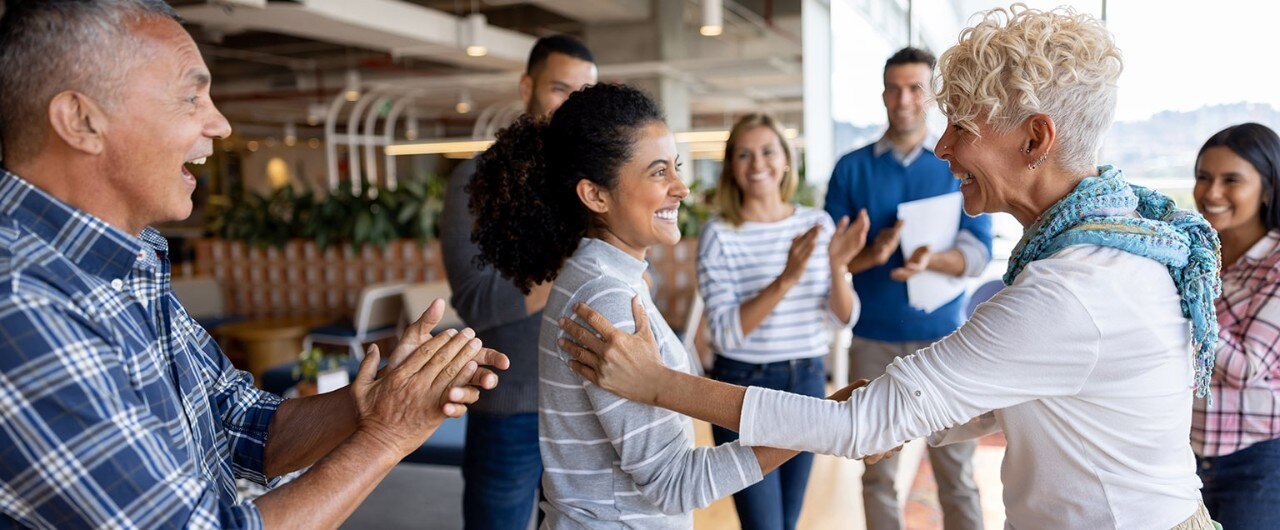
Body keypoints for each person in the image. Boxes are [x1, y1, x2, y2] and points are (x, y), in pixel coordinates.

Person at [557, 5, 1222, 529]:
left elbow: (863, 428)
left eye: (963, 125)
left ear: (1035, 139)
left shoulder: (1074, 287)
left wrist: (655, 383)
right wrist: (874, 411)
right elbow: (1012, 398)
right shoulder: (1099, 254)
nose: (942, 144)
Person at [0, 2, 508, 528]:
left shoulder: (128, 259)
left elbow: (244, 425)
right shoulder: (18, 299)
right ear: (81, 120)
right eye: (191, 97)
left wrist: (376, 400)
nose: (220, 124)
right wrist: (387, 435)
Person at [469, 83, 867, 528]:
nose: (681, 188)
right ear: (596, 196)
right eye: (659, 172)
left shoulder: (609, 278)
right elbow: (675, 483)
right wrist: (823, 424)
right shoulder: (606, 298)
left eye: (675, 167)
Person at [824, 46, 990, 530]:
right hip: (872, 339)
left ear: (932, 96)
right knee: (876, 471)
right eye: (894, 89)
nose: (904, 100)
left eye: (915, 88)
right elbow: (829, 261)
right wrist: (871, 255)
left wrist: (930, 260)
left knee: (955, 472)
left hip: (945, 340)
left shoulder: (956, 163)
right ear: (882, 95)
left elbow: (977, 252)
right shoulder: (851, 169)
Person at [440, 34, 597, 529]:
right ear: (527, 86)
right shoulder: (476, 181)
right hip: (511, 407)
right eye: (560, 89)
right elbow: (480, 302)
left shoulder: (594, 184)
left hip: (591, 408)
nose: (573, 105)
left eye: (584, 93)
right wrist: (581, 253)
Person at [698, 113, 865, 530]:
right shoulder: (720, 234)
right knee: (763, 525)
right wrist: (787, 277)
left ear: (786, 160)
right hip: (740, 389)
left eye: (768, 151)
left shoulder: (816, 224)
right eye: (744, 154)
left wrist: (837, 264)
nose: (758, 164)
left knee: (787, 523)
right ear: (731, 167)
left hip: (805, 384)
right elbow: (725, 334)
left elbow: (842, 317)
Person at [1191, 122, 1280, 529]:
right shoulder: (1199, 253)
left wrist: (1182, 304)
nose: (1211, 193)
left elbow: (1246, 366)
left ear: (1267, 188)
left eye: (1232, 181)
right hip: (1184, 456)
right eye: (1203, 178)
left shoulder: (1276, 264)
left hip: (1257, 464)